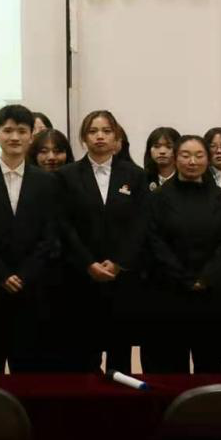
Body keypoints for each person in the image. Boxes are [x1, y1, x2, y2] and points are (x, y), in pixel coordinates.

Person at [0, 105, 59, 373]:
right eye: (7, 131)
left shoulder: (47, 182)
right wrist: (2, 273)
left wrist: (25, 274)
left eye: (21, 131)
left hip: (33, 289)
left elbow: (50, 234)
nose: (14, 137)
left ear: (31, 136)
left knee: (29, 368)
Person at [55, 110, 149, 373]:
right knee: (84, 351)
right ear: (83, 138)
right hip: (81, 276)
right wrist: (88, 263)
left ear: (116, 137)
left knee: (120, 350)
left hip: (121, 277)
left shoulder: (135, 175)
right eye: (93, 131)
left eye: (106, 131)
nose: (100, 136)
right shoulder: (66, 175)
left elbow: (141, 224)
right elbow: (63, 225)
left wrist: (119, 263)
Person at [142, 135, 221, 374]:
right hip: (170, 293)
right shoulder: (156, 199)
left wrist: (206, 277)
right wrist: (185, 277)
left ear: (208, 159)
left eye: (199, 155)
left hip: (212, 294)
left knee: (210, 364)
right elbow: (154, 242)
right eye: (185, 155)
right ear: (175, 158)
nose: (192, 161)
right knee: (170, 365)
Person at [143, 126, 179, 191]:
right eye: (156, 146)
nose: (162, 151)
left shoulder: (185, 179)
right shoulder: (142, 178)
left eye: (169, 147)